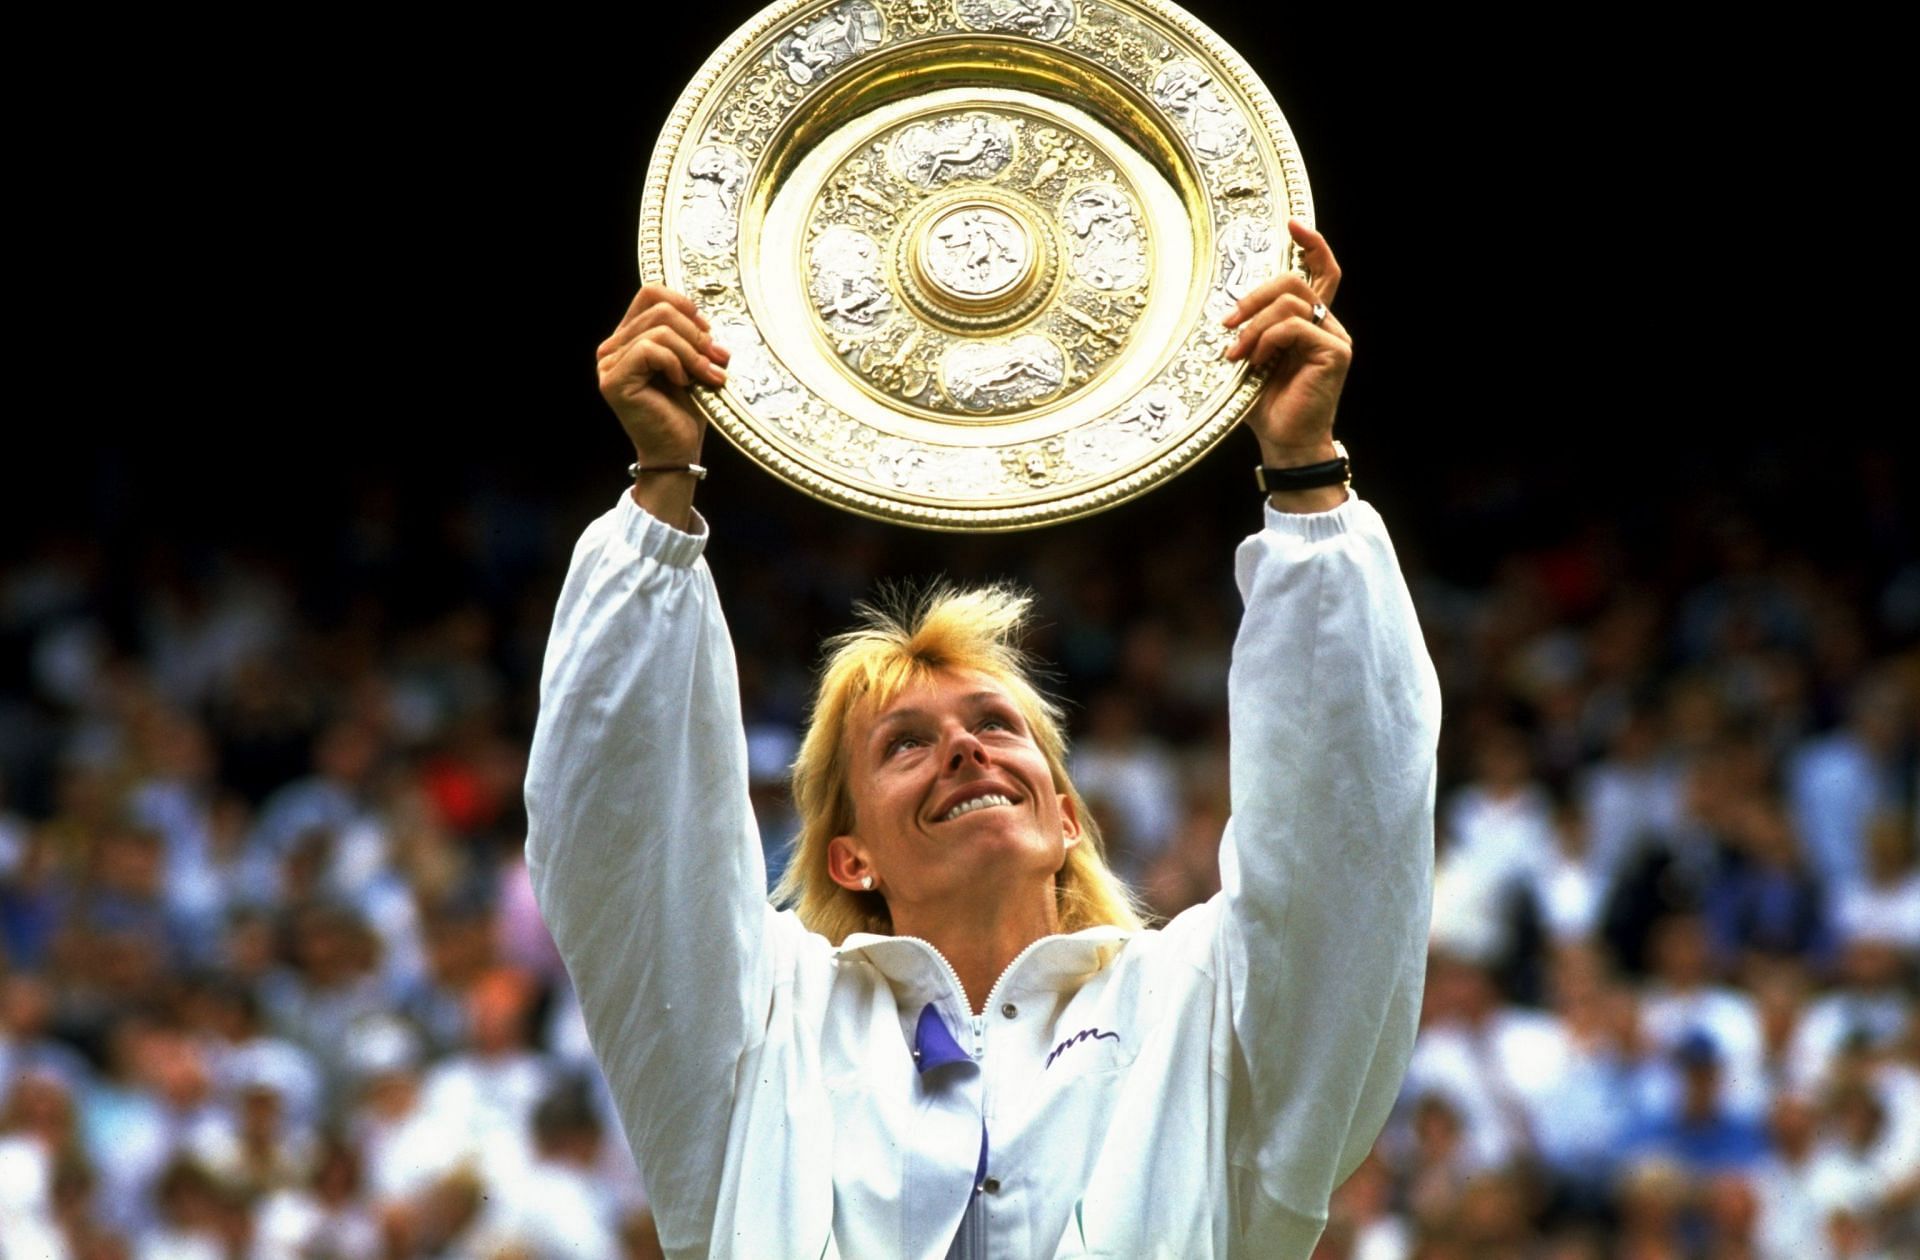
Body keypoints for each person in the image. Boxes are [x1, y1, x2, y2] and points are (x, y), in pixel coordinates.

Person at [525, 221, 1440, 1258]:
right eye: (904, 745)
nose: (965, 750)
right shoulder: (762, 1032)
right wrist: (658, 492)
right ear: (849, 855)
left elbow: (1351, 831)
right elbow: (624, 837)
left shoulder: (1199, 1011)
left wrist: (1308, 482)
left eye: (998, 727)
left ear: (1064, 817)